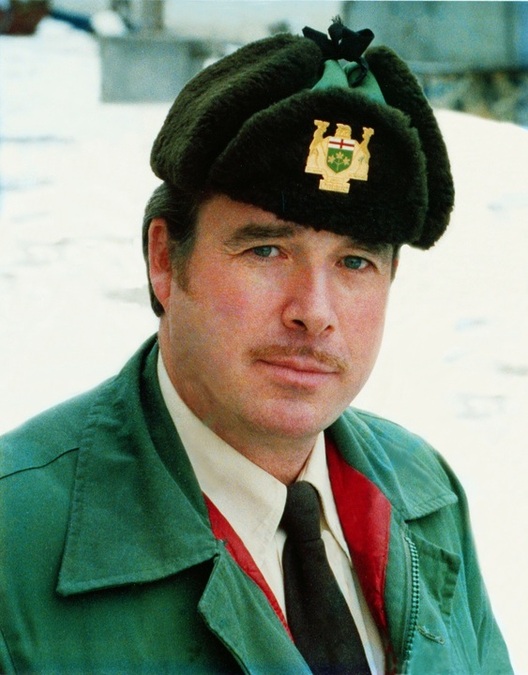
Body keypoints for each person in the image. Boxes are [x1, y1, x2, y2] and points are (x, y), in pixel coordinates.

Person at [0, 19, 512, 674]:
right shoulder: (16, 541)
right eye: (267, 250)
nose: (314, 312)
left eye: (355, 262)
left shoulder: (423, 493)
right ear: (165, 260)